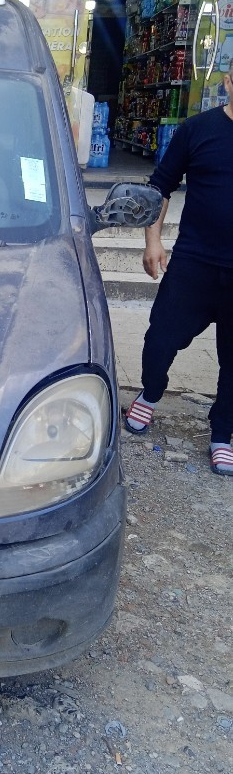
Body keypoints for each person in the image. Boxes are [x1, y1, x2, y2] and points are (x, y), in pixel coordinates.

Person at [124, 60, 233, 477]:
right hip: (194, 263)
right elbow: (160, 186)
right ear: (227, 83)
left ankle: (222, 432)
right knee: (159, 340)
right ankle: (150, 393)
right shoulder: (197, 130)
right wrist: (153, 241)